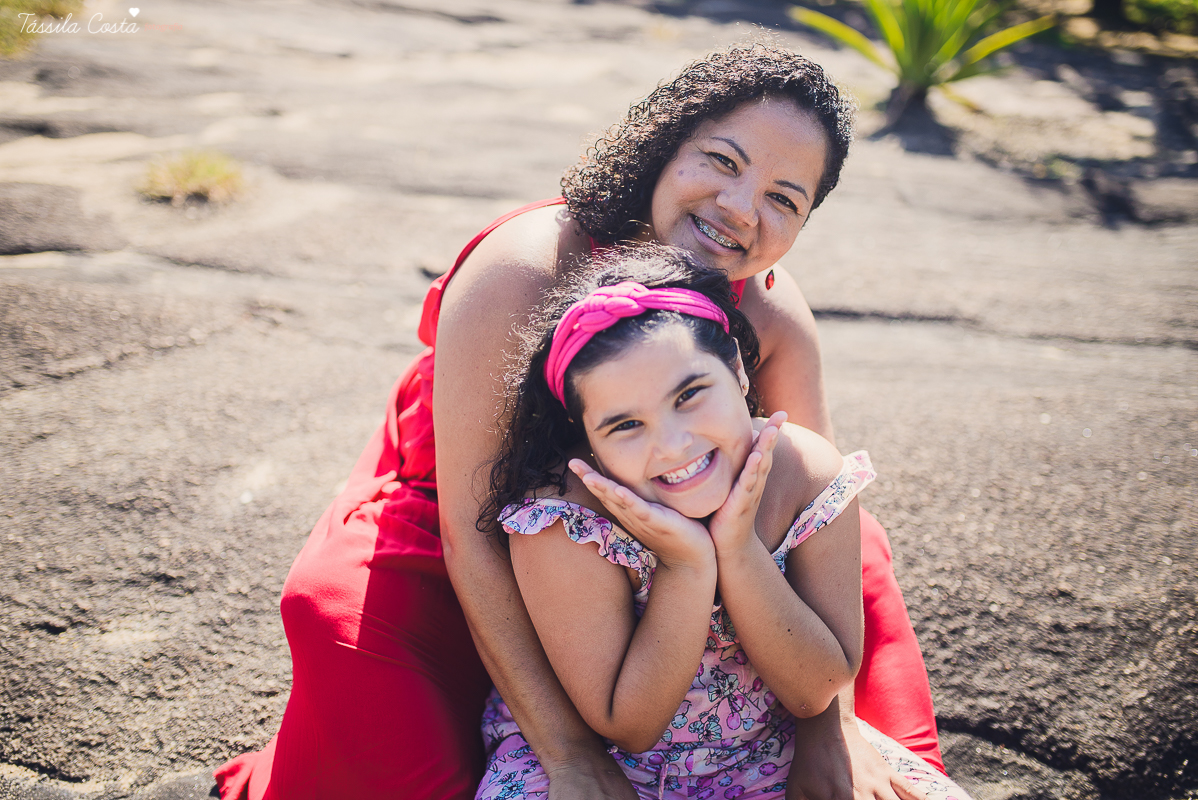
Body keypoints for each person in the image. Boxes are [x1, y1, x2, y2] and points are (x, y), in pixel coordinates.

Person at [215, 43, 945, 800]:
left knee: (882, 751)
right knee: (343, 637)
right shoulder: (526, 266)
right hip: (462, 521)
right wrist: (569, 754)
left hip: (696, 538)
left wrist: (832, 728)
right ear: (666, 143)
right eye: (722, 161)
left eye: (783, 198)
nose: (738, 206)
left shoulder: (772, 312)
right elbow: (472, 530)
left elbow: (807, 512)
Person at [474, 246, 966, 800]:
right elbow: (629, 726)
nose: (671, 445)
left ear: (735, 368)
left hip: (773, 745)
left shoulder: (807, 474)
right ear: (585, 435)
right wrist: (686, 566)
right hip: (601, 766)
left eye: (689, 395)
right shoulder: (564, 522)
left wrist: (738, 549)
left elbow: (817, 691)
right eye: (625, 424)